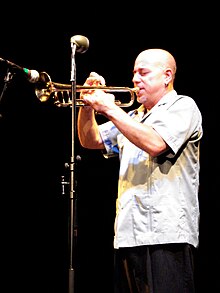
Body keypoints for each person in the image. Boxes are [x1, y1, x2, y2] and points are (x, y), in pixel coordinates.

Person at [77, 48, 203, 293]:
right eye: (134, 73)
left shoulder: (183, 106)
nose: (135, 79)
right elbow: (89, 140)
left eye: (143, 73)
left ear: (167, 76)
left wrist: (110, 109)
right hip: (127, 235)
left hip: (167, 237)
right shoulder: (134, 116)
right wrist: (87, 104)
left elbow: (156, 144)